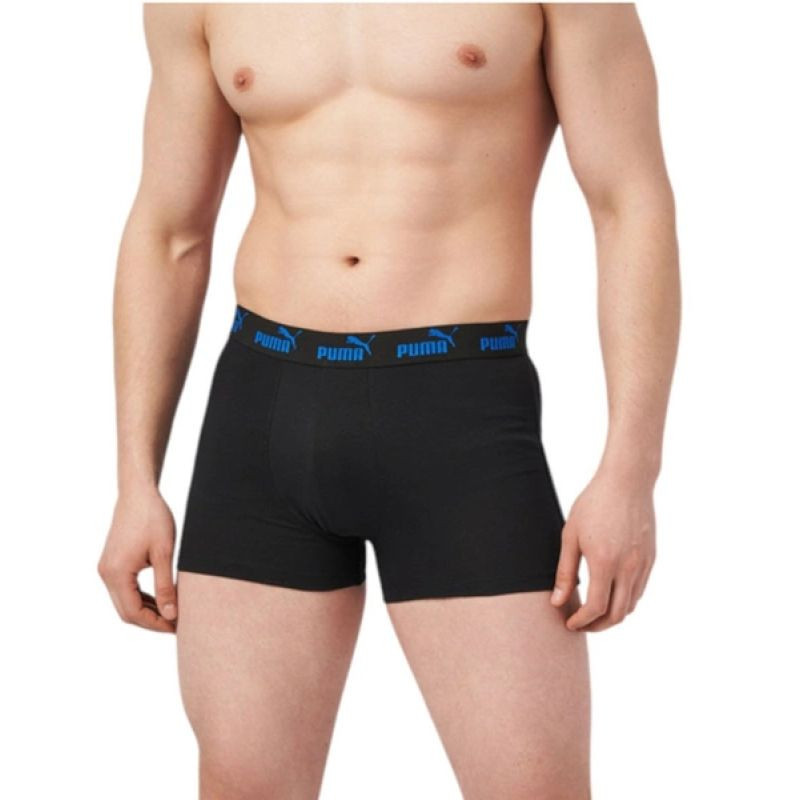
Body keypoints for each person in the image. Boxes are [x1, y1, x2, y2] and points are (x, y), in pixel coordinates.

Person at [98, 3, 680, 798]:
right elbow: (170, 231)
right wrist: (135, 480)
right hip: (262, 416)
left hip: (460, 420)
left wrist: (631, 473)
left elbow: (629, 202)